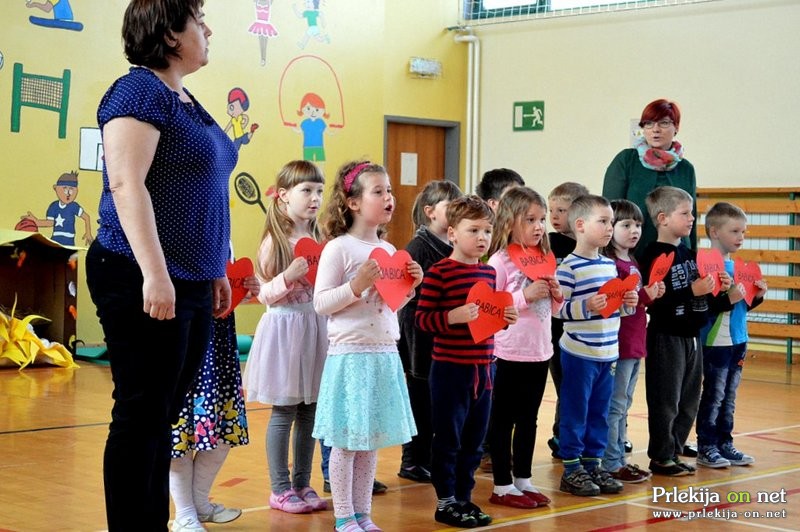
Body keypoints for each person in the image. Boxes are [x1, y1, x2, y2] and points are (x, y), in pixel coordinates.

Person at [85, 2, 237, 529]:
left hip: (191, 277)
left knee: (162, 417)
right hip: (136, 272)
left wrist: (216, 265)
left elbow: (203, 191)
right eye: (199, 20)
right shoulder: (139, 91)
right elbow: (127, 185)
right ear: (170, 34)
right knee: (141, 414)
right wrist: (155, 273)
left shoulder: (185, 98)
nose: (208, 29)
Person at [312, 161, 422, 532]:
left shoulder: (389, 248)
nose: (389, 198)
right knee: (347, 441)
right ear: (353, 202)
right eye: (378, 191)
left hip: (384, 353)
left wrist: (409, 288)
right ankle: (344, 515)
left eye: (389, 190)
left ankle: (363, 514)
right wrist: (356, 284)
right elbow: (322, 303)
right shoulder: (339, 249)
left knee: (371, 440)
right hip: (351, 356)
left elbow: (388, 305)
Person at [416, 195, 519, 528]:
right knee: (449, 439)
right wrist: (452, 316)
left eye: (487, 231)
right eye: (473, 230)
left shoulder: (489, 273)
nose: (482, 238)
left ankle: (464, 498)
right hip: (450, 370)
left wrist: (504, 318)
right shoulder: (439, 272)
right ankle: (445, 502)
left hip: (485, 370)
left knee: (474, 441)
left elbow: (486, 321)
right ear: (452, 234)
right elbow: (422, 320)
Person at [242, 160, 329, 514]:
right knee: (284, 412)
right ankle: (279, 488)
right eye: (306, 190)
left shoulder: (321, 240)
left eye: (319, 191)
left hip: (314, 328)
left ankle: (302, 484)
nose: (314, 198)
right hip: (284, 331)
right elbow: (263, 295)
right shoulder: (273, 243)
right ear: (282, 196)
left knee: (310, 411)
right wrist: (290, 276)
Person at [639, 186, 728, 477]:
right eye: (685, 213)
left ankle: (674, 449)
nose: (692, 218)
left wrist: (718, 285)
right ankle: (661, 455)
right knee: (666, 399)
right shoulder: (653, 254)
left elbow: (707, 295)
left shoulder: (690, 253)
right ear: (663, 218)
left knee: (689, 400)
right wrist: (692, 289)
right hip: (667, 336)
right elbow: (657, 300)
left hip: (692, 336)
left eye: (692, 212)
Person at [555, 195, 637, 497]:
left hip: (608, 352)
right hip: (579, 353)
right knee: (576, 410)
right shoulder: (568, 267)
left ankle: (593, 464)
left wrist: (628, 304)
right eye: (603, 221)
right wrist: (586, 306)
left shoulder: (609, 265)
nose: (609, 227)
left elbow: (614, 308)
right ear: (580, 225)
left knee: (600, 411)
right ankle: (572, 468)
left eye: (611, 222)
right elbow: (557, 309)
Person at [486, 187, 561, 509]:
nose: (538, 226)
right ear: (509, 222)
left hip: (539, 350)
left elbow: (553, 313)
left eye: (541, 219)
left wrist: (556, 295)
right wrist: (523, 297)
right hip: (507, 352)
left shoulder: (544, 260)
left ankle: (523, 480)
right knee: (503, 420)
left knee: (529, 418)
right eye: (530, 219)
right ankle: (502, 485)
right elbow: (490, 306)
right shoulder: (499, 261)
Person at [169, 260, 255, 531]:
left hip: (218, 335)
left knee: (222, 429)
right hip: (181, 320)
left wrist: (244, 289)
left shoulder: (218, 227)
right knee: (180, 433)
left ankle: (199, 504)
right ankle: (184, 513)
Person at [397, 180, 463, 483]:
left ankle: (428, 456)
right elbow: (409, 294)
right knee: (420, 397)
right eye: (450, 206)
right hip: (418, 332)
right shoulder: (419, 247)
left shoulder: (451, 245)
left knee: (435, 397)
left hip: (439, 329)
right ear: (430, 211)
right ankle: (412, 460)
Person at [695, 202, 766, 468]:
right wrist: (728, 298)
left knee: (729, 396)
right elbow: (707, 306)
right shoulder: (704, 265)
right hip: (715, 340)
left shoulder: (738, 266)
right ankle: (707, 446)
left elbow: (742, 305)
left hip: (738, 338)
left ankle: (725, 442)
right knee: (713, 394)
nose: (741, 237)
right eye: (735, 231)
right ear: (714, 231)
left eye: (744, 232)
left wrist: (756, 297)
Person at [600, 200, 664, 484]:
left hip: (636, 342)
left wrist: (649, 294)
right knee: (615, 404)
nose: (634, 230)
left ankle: (617, 455)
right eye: (626, 225)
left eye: (638, 225)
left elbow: (635, 302)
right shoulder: (611, 265)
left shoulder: (632, 262)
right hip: (619, 343)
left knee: (623, 404)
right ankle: (612, 461)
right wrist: (643, 295)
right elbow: (617, 304)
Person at [603, 99, 697, 260]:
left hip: (677, 255)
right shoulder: (626, 160)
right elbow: (610, 211)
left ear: (676, 127)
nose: (655, 129)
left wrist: (693, 256)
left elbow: (691, 217)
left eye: (664, 123)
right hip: (632, 254)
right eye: (648, 124)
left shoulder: (686, 168)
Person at [545, 181, 588, 459]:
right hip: (553, 328)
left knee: (577, 386)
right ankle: (562, 435)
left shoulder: (588, 245)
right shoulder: (547, 242)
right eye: (552, 210)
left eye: (561, 210)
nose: (554, 216)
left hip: (581, 327)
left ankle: (571, 433)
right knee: (564, 383)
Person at [22, 171, 94, 246]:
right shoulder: (54, 206)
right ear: (55, 188)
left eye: (71, 190)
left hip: (69, 241)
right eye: (65, 189)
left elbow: (86, 217)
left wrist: (88, 233)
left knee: (70, 257)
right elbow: (50, 223)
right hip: (56, 239)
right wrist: (36, 222)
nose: (68, 193)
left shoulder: (74, 206)